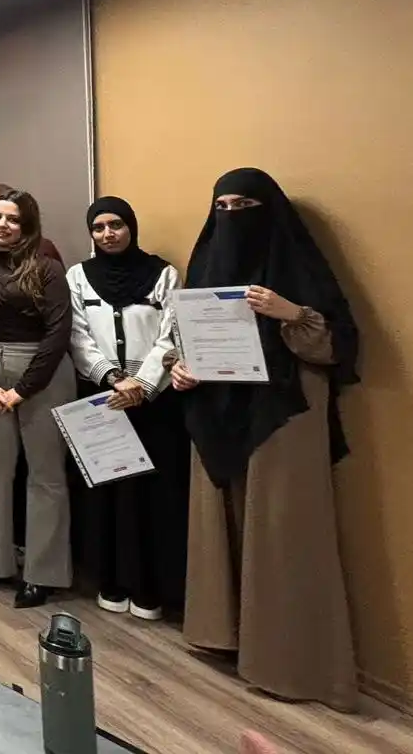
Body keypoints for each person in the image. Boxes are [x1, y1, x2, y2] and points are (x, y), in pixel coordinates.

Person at [169, 169, 359, 711]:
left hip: (283, 409)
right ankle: (221, 634)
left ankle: (286, 661)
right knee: (218, 522)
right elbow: (188, 335)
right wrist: (180, 367)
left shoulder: (298, 267)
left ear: (270, 210)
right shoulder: (207, 264)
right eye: (223, 206)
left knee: (281, 530)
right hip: (217, 411)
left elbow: (339, 346)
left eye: (245, 205)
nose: (233, 217)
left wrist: (289, 312)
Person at [66, 196, 188, 620]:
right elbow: (77, 335)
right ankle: (111, 580)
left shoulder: (164, 275)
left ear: (131, 226)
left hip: (154, 403)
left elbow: (171, 334)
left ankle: (149, 587)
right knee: (108, 494)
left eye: (115, 225)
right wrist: (111, 378)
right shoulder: (78, 276)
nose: (108, 234)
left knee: (153, 497)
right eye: (98, 228)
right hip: (103, 399)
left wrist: (142, 383)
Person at [0, 190, 73, 609]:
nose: (1, 225)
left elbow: (58, 332)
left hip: (43, 375)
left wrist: (22, 389)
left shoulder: (47, 267)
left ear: (27, 226)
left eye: (12, 219)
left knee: (45, 474)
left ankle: (43, 573)